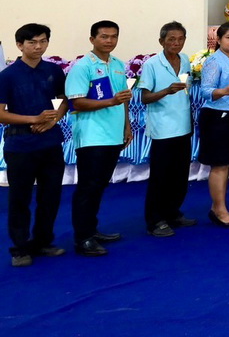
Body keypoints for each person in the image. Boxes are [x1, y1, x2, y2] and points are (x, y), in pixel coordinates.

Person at [0, 24, 68, 266]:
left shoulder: (54, 70)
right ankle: (20, 248)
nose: (38, 47)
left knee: (51, 196)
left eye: (43, 41)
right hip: (20, 145)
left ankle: (43, 241)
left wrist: (52, 120)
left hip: (50, 143)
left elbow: (64, 100)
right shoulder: (7, 76)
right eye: (32, 42)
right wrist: (34, 119)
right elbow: (1, 114)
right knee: (20, 199)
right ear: (20, 45)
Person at [65, 20, 131, 256]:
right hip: (92, 136)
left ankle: (91, 230)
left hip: (113, 135)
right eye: (104, 36)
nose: (109, 41)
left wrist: (127, 126)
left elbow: (123, 99)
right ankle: (82, 238)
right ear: (92, 39)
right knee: (88, 187)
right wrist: (110, 101)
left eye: (114, 36)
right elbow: (76, 103)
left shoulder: (118, 64)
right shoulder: (82, 67)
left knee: (99, 186)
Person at [136, 21, 196, 237]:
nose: (176, 43)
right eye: (171, 39)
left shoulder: (186, 59)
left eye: (180, 39)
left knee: (180, 175)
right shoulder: (152, 64)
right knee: (160, 177)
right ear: (161, 41)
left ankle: (172, 213)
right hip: (162, 129)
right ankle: (154, 220)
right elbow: (144, 97)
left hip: (183, 126)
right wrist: (166, 91)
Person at [197, 22, 229, 228]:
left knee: (228, 163)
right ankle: (219, 210)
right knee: (219, 164)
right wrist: (224, 91)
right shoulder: (213, 61)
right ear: (218, 40)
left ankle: (217, 207)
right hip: (217, 116)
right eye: (228, 37)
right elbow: (205, 91)